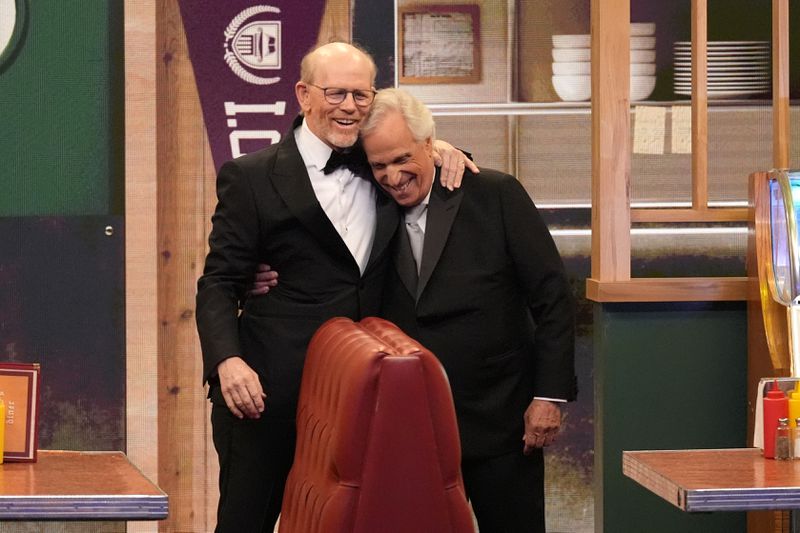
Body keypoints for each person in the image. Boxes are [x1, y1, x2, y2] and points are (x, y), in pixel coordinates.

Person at [195, 42, 475, 532]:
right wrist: (227, 361)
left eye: (361, 96)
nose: (349, 107)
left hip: (368, 391)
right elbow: (219, 280)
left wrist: (445, 148)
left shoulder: (380, 165)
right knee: (245, 521)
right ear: (303, 94)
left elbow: (415, 155)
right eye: (336, 93)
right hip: (268, 390)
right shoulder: (251, 177)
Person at [359, 88, 577, 533]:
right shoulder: (367, 203)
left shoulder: (494, 194)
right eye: (379, 165)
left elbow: (552, 295)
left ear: (430, 144)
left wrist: (548, 397)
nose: (393, 176)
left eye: (403, 159)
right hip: (409, 426)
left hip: (502, 417)